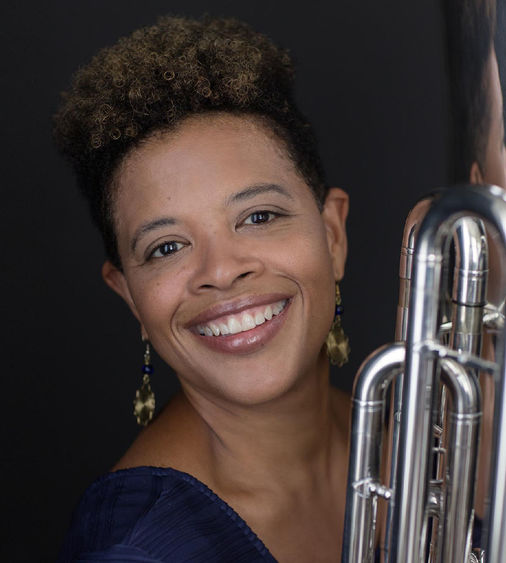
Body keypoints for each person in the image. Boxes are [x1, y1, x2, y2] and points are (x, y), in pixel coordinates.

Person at [53, 15, 351, 562]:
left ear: (332, 236)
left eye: (259, 216)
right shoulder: (135, 550)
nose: (222, 269)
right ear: (130, 297)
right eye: (166, 247)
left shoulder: (419, 441)